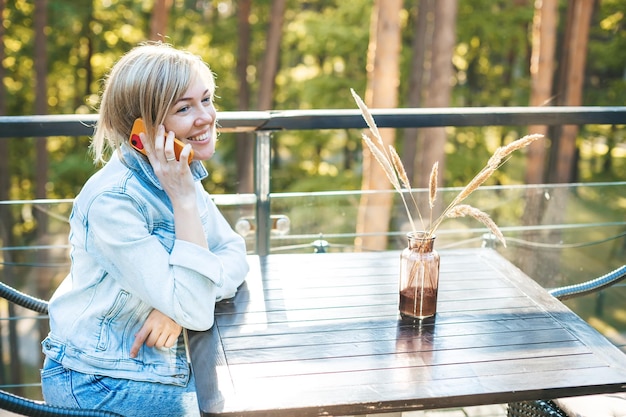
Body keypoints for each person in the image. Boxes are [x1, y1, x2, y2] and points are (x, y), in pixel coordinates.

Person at [40, 42, 249, 417]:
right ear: (142, 129)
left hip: (163, 365)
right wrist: (184, 200)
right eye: (184, 108)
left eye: (207, 99)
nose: (205, 117)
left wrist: (178, 308)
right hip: (99, 381)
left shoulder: (175, 172)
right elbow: (198, 306)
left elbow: (233, 252)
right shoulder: (114, 202)